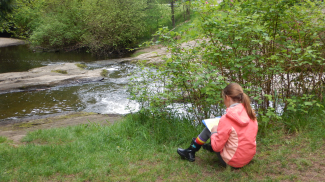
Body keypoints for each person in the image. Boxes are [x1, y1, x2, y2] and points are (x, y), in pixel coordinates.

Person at [177, 83, 258, 168]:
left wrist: (214, 132)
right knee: (227, 132)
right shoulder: (250, 113)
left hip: (232, 161)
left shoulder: (227, 119)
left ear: (227, 97)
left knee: (211, 128)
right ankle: (199, 149)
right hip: (248, 157)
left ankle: (190, 151)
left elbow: (217, 147)